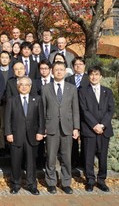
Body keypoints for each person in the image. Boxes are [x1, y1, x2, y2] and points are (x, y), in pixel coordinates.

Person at [41, 61, 80, 195]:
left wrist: (76, 127)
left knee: (66, 157)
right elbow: (43, 110)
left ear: (65, 71)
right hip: (51, 127)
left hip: (67, 127)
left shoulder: (72, 88)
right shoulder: (46, 88)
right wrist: (43, 127)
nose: (59, 72)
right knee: (51, 157)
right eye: (56, 69)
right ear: (52, 71)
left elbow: (75, 109)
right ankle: (51, 182)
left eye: (61, 69)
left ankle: (65, 182)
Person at [5, 76, 44, 195]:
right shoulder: (12, 100)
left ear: (30, 87)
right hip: (16, 135)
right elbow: (7, 119)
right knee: (15, 161)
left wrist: (40, 132)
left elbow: (41, 118)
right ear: (17, 87)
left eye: (26, 85)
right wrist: (8, 133)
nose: (24, 87)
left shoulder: (37, 99)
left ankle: (31, 184)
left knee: (31, 162)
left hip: (32, 136)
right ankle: (15, 184)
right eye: (21, 84)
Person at [79, 66, 114, 193]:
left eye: (97, 74)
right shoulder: (82, 91)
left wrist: (103, 125)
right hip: (89, 129)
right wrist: (95, 125)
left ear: (101, 76)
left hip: (104, 130)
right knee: (89, 156)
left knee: (102, 156)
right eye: (92, 74)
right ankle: (90, 180)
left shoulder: (107, 91)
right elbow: (84, 110)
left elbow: (111, 110)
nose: (94, 77)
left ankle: (101, 180)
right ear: (88, 76)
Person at [65, 56, 90, 168]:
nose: (78, 66)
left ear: (84, 66)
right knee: (73, 137)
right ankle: (73, 160)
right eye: (76, 64)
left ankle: (84, 161)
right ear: (73, 66)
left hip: (86, 112)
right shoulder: (68, 79)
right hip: (72, 112)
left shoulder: (89, 78)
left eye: (80, 64)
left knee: (85, 137)